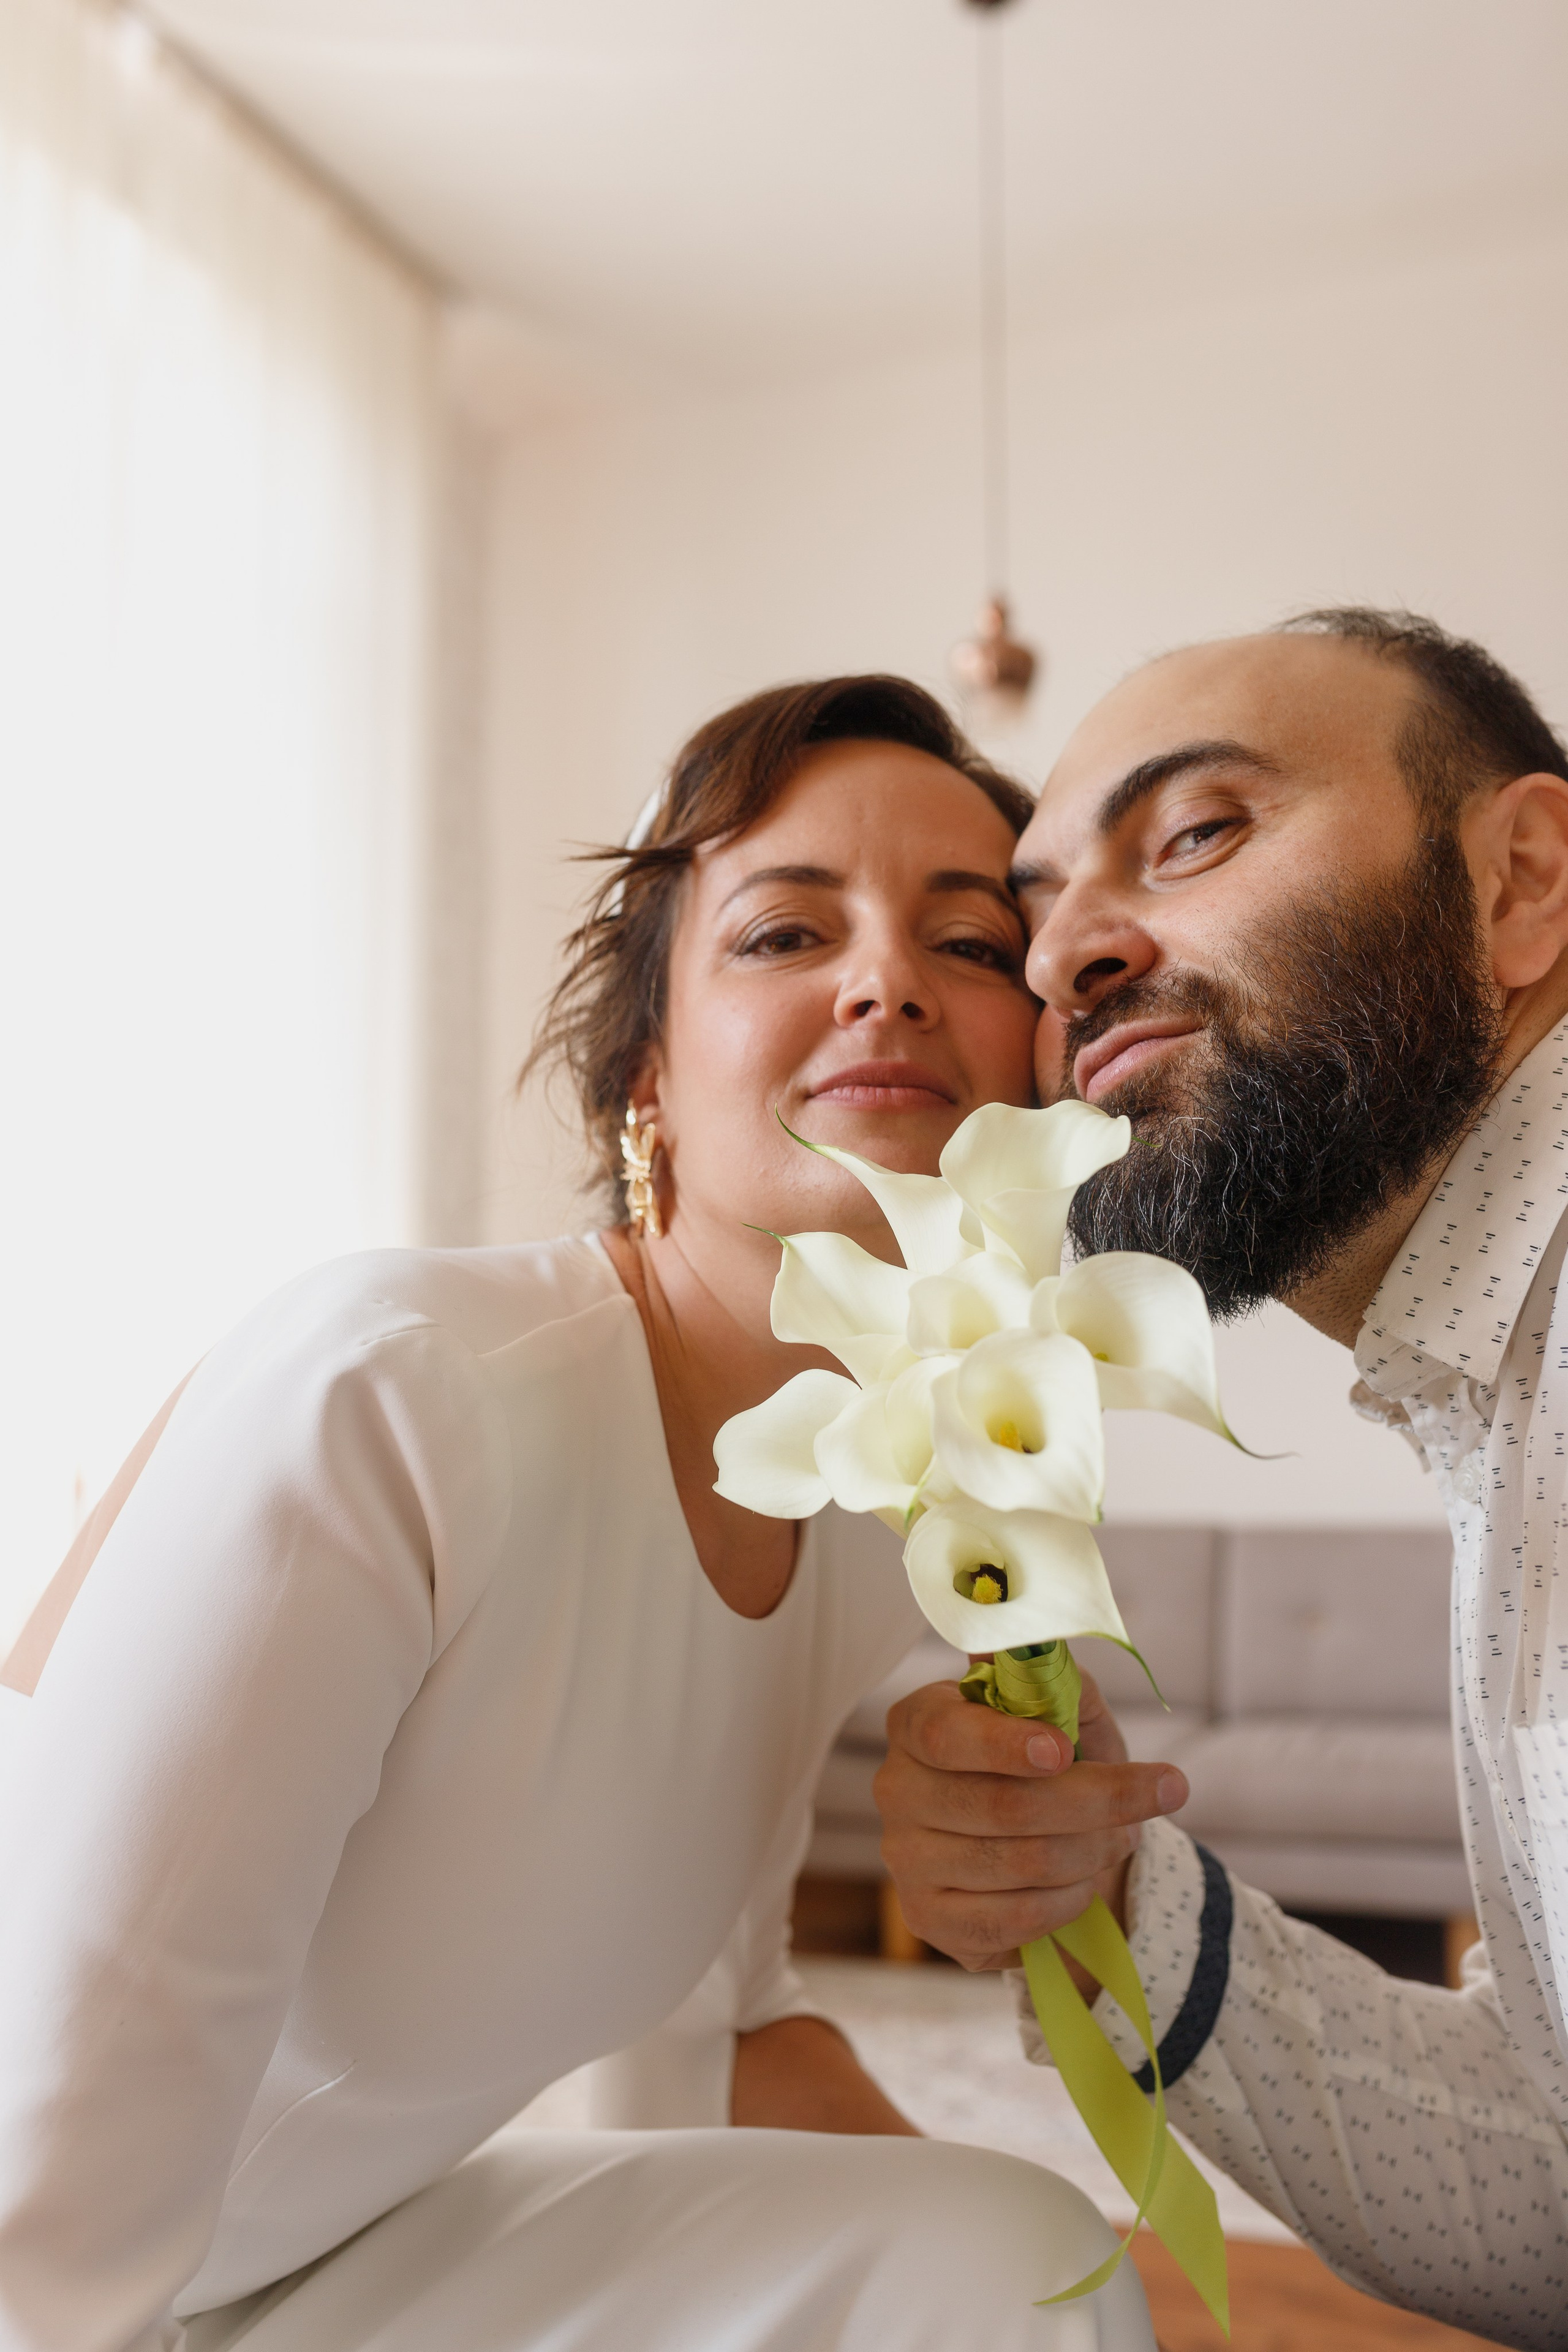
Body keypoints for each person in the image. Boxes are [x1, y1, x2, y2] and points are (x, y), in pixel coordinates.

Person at [0, 674, 1156, 2352]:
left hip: (313, 2263)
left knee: (1019, 2260)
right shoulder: (394, 1398)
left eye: (970, 945)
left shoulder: (868, 1498)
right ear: (649, 1080)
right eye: (783, 935)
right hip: (52, 2267)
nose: (887, 980)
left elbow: (720, 2038)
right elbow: (43, 2141)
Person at [875, 609, 1568, 2351]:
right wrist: (1109, 1894)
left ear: (1525, 881)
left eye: (1195, 834)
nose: (1065, 965)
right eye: (1032, 919)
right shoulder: (1493, 1399)